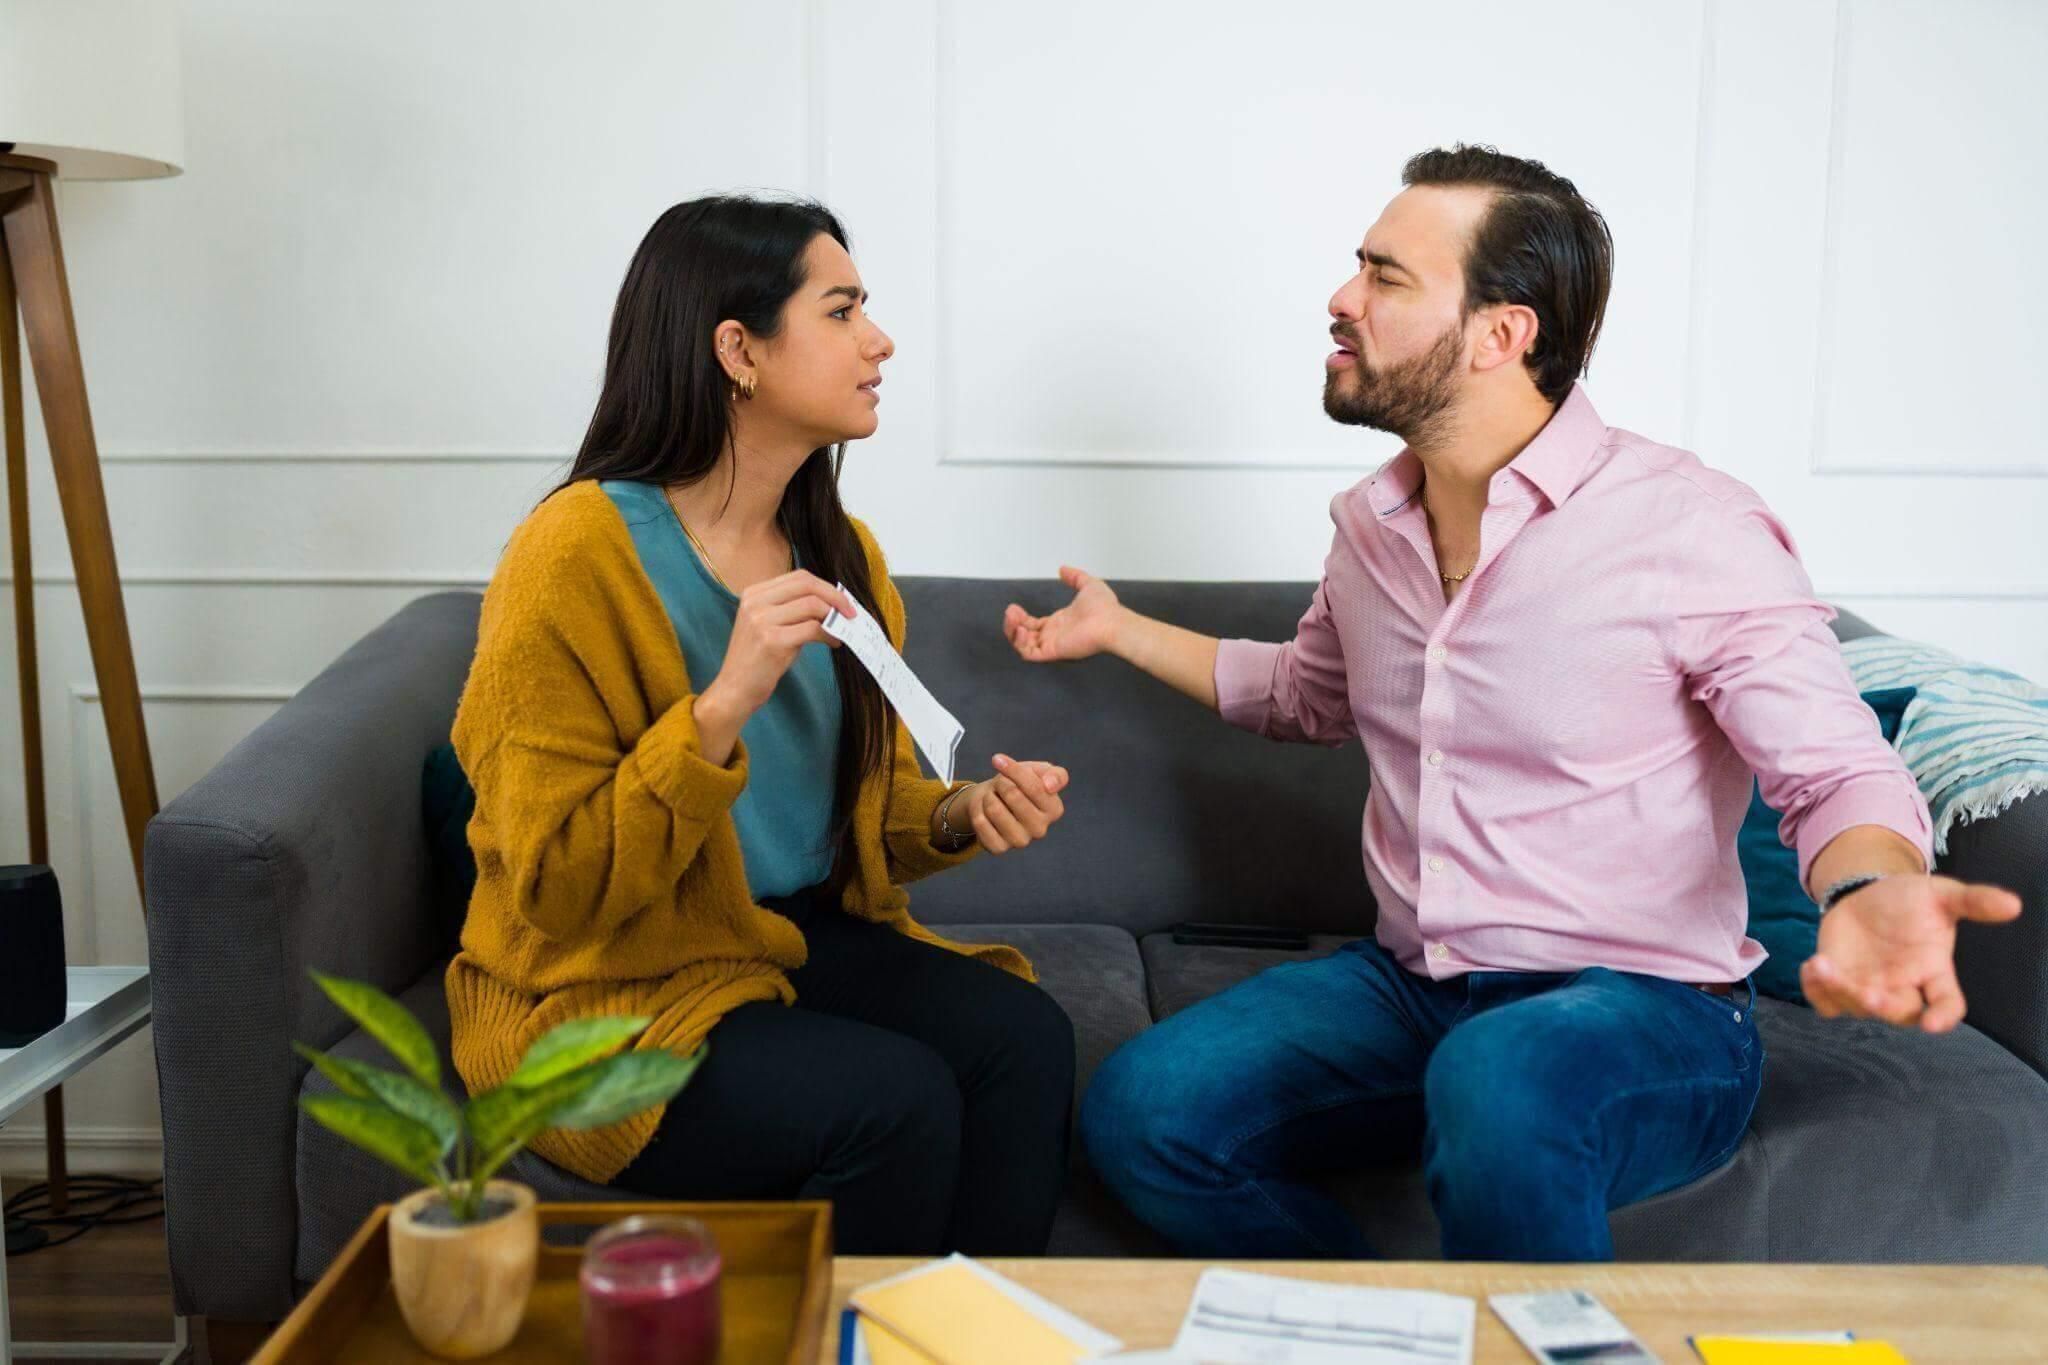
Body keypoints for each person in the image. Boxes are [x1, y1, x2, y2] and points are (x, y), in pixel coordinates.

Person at [1004, 145, 2024, 1261]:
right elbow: (1305, 697)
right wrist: (1120, 628)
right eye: (1357, 268)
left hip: (1643, 1011)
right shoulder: (1367, 528)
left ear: (1500, 334)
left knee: (1499, 1073)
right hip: (1412, 991)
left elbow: (1831, 768)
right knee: (1143, 1114)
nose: (1340, 300)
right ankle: (1376, 1335)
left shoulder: (1687, 528)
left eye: (1385, 278)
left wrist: (1873, 884)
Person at [447, 195, 1076, 1254]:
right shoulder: (570, 560)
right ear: (738, 349)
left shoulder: (839, 550)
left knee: (1024, 1039)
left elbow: (836, 821)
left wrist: (963, 811)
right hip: (611, 979)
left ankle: (969, 1332)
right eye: (840, 313)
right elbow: (556, 887)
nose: (878, 341)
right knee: (898, 1101)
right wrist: (720, 705)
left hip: (777, 935)